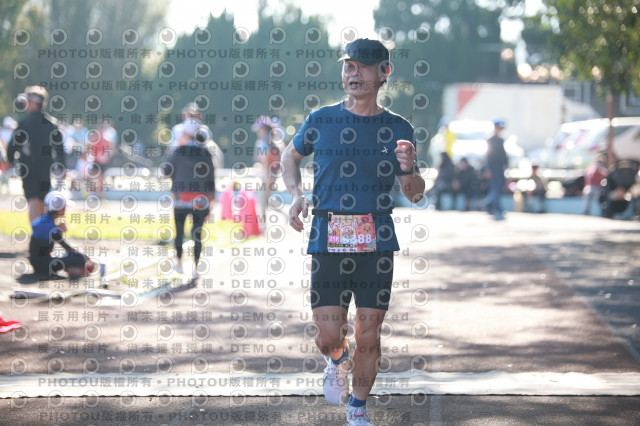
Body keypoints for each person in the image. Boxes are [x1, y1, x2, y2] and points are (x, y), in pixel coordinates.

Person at [281, 38, 425, 426]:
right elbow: (289, 156)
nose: (353, 73)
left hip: (376, 240)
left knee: (369, 333)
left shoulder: (398, 128)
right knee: (328, 335)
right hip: (327, 236)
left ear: (384, 72)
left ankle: (358, 408)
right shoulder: (322, 119)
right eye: (348, 66)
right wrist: (296, 195)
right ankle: (338, 359)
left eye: (363, 66)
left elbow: (414, 194)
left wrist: (408, 169)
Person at [161, 122, 216, 279]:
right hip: (201, 200)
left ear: (186, 135)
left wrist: (169, 153)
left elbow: (166, 171)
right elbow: (211, 178)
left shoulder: (178, 151)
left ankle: (179, 263)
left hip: (181, 198)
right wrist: (212, 199)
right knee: (197, 234)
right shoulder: (206, 153)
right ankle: (196, 267)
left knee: (179, 232)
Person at [5, 86, 66, 222]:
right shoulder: (51, 123)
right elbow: (60, 147)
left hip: (28, 167)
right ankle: (41, 230)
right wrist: (61, 166)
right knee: (42, 199)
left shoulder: (25, 122)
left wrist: (9, 160)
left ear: (33, 103)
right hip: (45, 166)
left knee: (33, 199)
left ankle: (36, 231)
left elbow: (13, 144)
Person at [29, 191, 94, 278]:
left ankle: (70, 268)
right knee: (79, 258)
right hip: (45, 267)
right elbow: (67, 248)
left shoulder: (40, 221)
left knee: (62, 254)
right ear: (60, 209)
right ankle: (74, 270)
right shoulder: (52, 228)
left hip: (36, 264)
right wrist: (84, 257)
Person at [169, 102, 224, 169]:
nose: (191, 118)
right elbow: (170, 149)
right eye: (189, 115)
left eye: (192, 115)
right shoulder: (177, 129)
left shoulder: (204, 129)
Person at [251, 115, 284, 221]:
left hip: (266, 175)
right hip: (273, 174)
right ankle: (286, 215)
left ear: (263, 129)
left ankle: (263, 224)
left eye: (259, 129)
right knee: (267, 200)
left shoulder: (262, 142)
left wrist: (266, 176)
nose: (258, 132)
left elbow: (264, 160)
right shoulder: (274, 141)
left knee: (263, 201)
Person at [484, 119, 508, 220]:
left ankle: (488, 205)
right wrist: (488, 169)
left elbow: (503, 155)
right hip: (493, 168)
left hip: (500, 168)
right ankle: (497, 209)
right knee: (495, 188)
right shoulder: (491, 140)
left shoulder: (501, 140)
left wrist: (506, 166)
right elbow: (488, 156)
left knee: (498, 187)